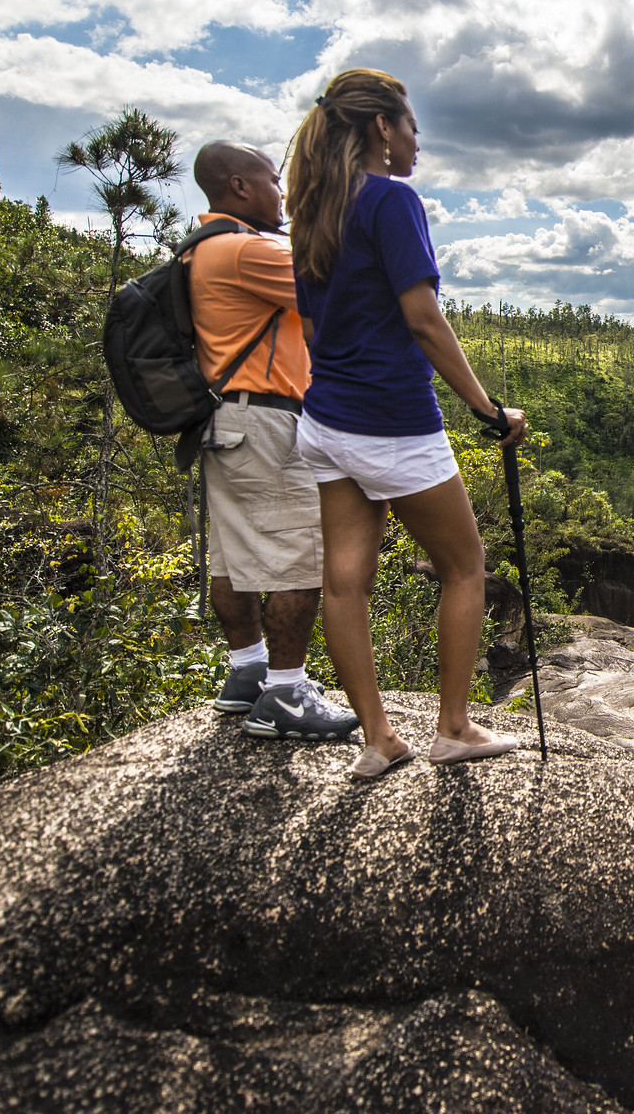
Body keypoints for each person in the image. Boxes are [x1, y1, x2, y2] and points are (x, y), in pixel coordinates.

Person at [285, 69, 529, 778]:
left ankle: (378, 738)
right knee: (465, 565)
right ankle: (453, 728)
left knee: (344, 582)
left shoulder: (312, 212)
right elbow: (423, 318)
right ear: (381, 127)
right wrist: (489, 411)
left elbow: (309, 323)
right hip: (390, 418)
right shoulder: (391, 201)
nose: (418, 140)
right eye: (413, 126)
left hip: (326, 417)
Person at [191, 142, 361, 742]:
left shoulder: (204, 249)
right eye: (272, 181)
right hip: (265, 420)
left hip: (226, 421)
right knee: (300, 558)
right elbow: (337, 288)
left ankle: (247, 673)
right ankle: (286, 692)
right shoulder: (246, 250)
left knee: (233, 555)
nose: (281, 194)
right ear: (239, 187)